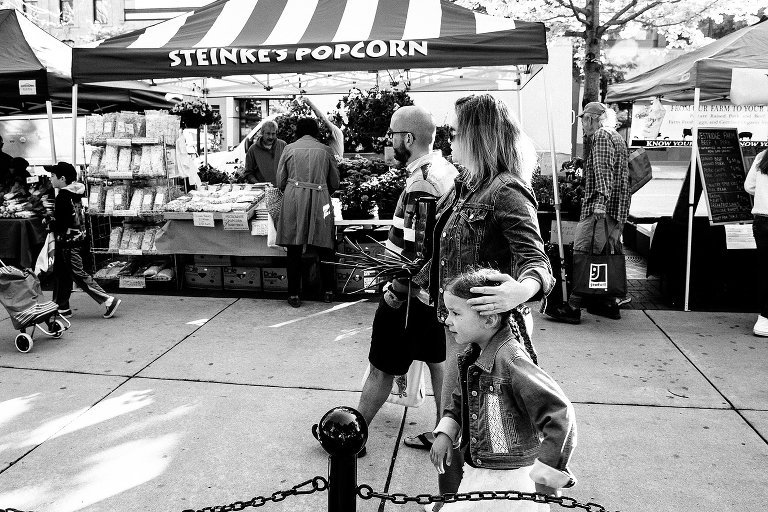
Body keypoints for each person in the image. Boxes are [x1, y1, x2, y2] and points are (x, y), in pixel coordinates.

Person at [414, 94, 555, 509]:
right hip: (460, 322)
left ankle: (470, 499)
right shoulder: (466, 186)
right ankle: (456, 498)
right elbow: (444, 254)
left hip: (491, 331)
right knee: (454, 416)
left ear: (478, 135)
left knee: (481, 424)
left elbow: (537, 261)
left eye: (457, 133)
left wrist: (521, 290)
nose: (451, 142)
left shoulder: (507, 190)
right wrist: (410, 283)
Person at [430, 269, 577, 512]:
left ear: (489, 320)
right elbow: (461, 399)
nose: (447, 320)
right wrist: (447, 431)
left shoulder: (511, 361)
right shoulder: (472, 354)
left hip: (512, 482)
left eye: (455, 313)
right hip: (480, 472)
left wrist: (547, 475)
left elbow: (560, 414)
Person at [356, 105, 458, 455]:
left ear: (409, 138)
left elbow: (415, 252)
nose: (390, 141)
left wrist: (396, 292)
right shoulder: (444, 170)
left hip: (413, 295)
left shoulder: (422, 181)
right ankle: (446, 432)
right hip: (437, 294)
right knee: (438, 362)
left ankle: (353, 435)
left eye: (393, 135)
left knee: (381, 367)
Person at [545, 102, 630, 324]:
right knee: (604, 254)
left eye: (583, 120)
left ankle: (573, 306)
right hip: (617, 208)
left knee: (584, 253)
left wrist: (599, 202)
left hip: (600, 208)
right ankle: (607, 303)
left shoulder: (601, 136)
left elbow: (604, 172)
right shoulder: (615, 136)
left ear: (592, 119)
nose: (582, 125)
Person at [275, 117, 340, 308]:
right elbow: (334, 181)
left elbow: (280, 181)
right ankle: (328, 291)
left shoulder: (289, 149)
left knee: (294, 248)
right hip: (320, 199)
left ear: (298, 131)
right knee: (325, 246)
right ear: (316, 132)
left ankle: (294, 293)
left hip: (293, 198)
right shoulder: (326, 150)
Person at [45, 162, 121, 319]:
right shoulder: (77, 193)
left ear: (62, 178)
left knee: (78, 275)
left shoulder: (62, 197)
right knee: (61, 274)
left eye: (52, 176)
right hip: (78, 239)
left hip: (68, 243)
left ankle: (107, 300)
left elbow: (62, 223)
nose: (50, 179)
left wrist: (49, 223)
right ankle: (61, 307)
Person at [744, 148, 768, 337]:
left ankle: (764, 318)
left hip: (762, 220)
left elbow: (749, 187)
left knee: (765, 269)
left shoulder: (762, 156)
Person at [244, 120, 286, 186]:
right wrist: (259, 185)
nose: (271, 137)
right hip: (262, 191)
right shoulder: (253, 149)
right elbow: (248, 173)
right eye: (268, 134)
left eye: (273, 134)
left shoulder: (283, 145)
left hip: (281, 190)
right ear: (262, 133)